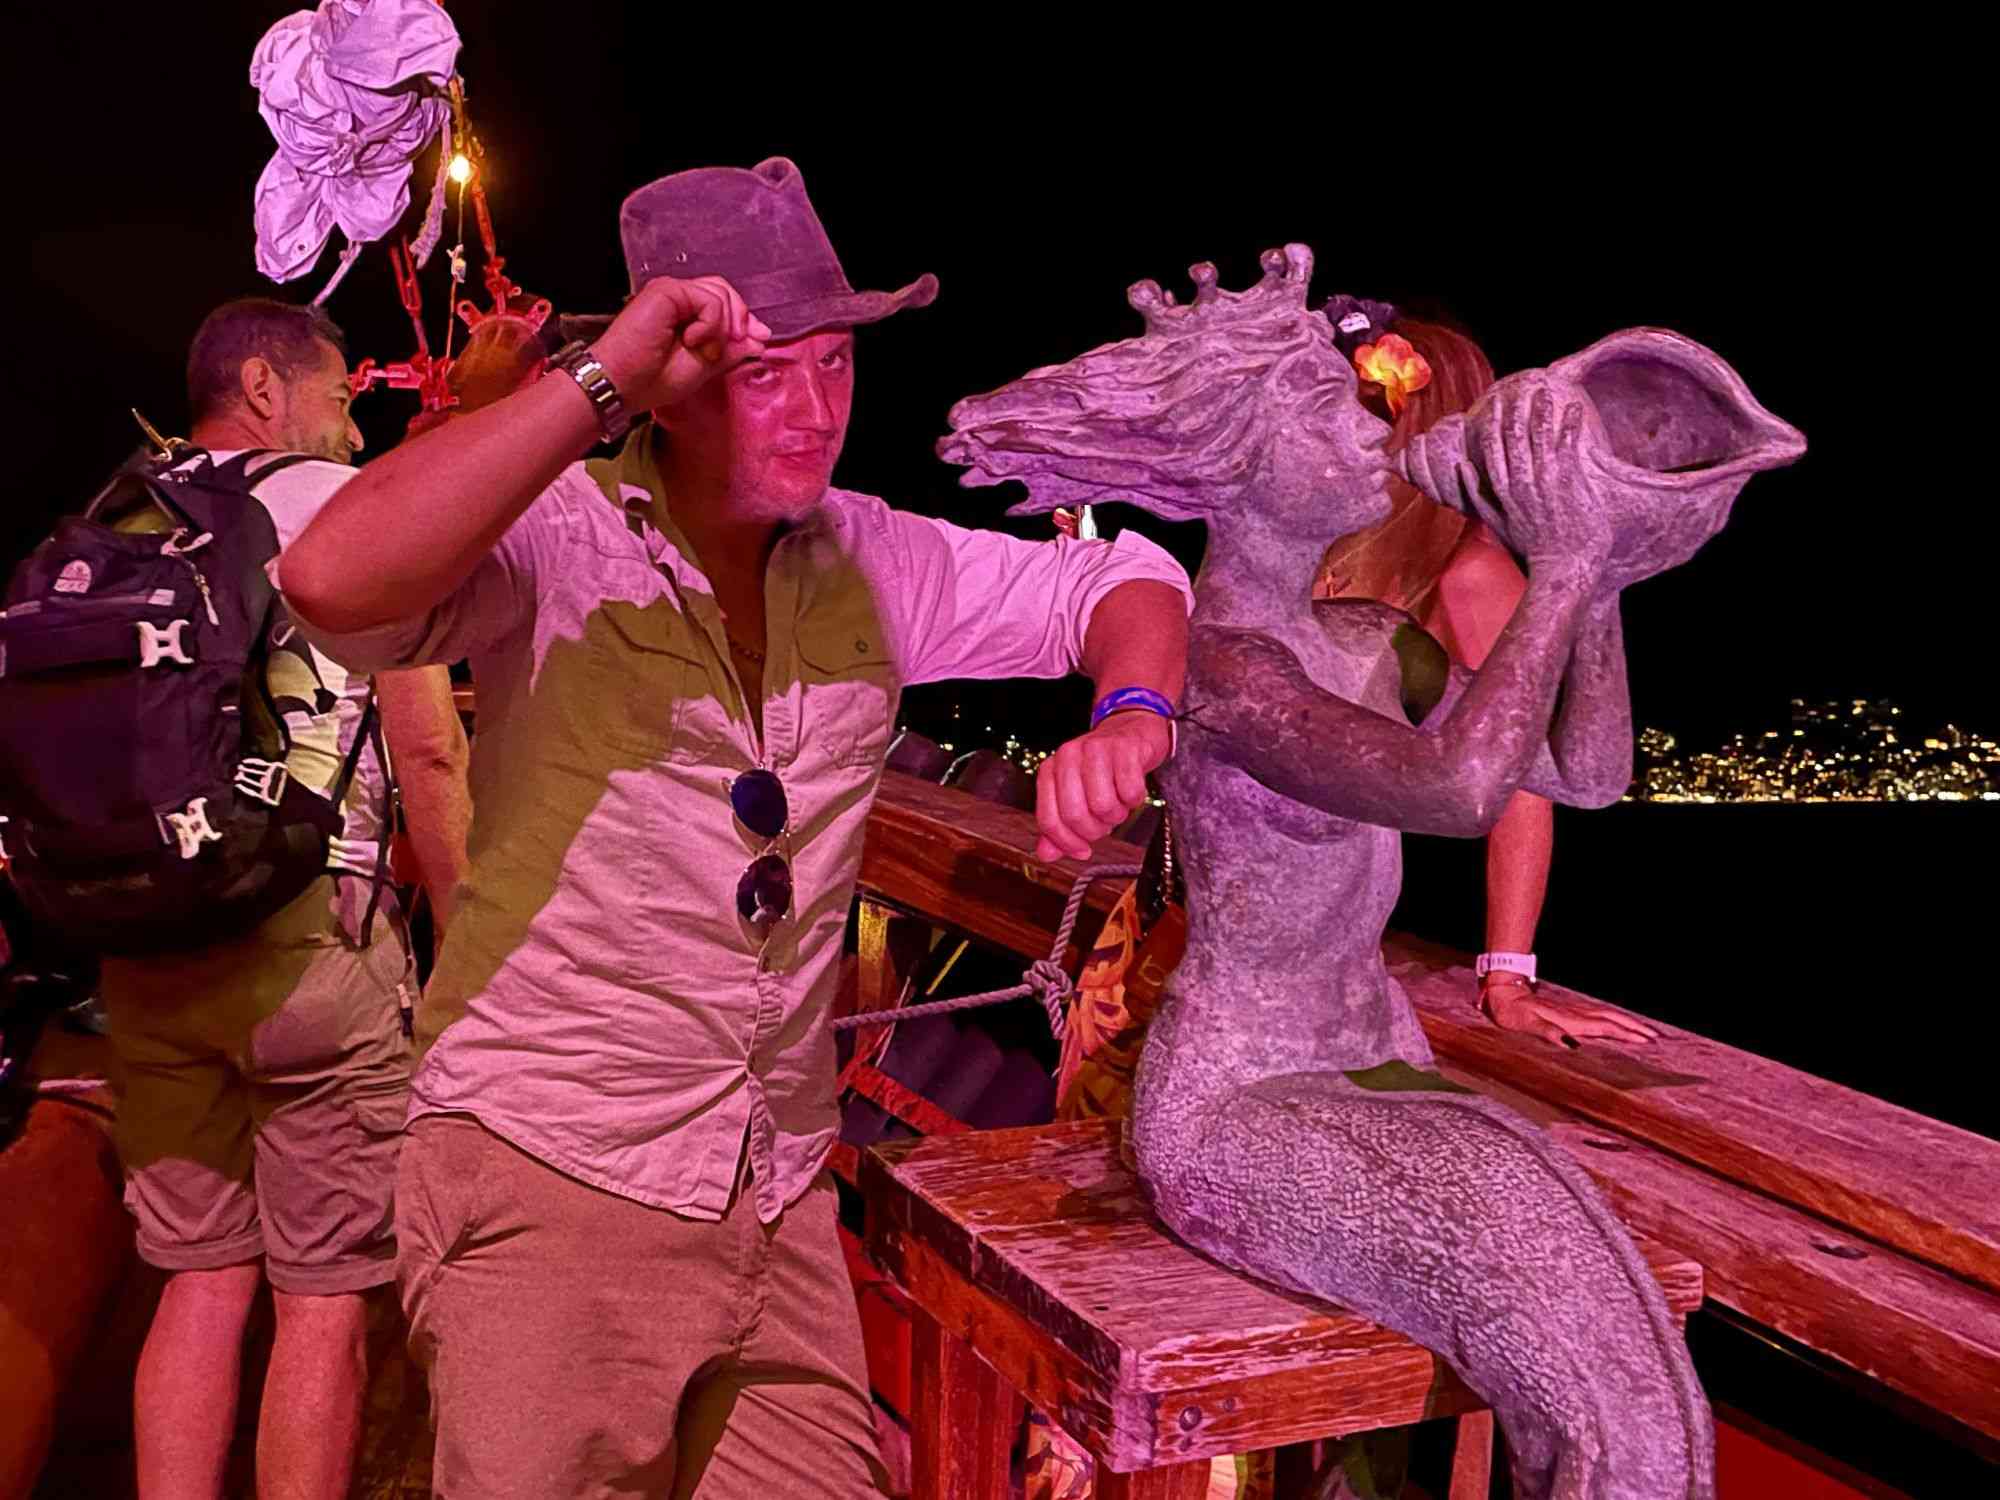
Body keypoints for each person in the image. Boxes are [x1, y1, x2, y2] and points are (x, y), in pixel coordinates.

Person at [276, 158, 1193, 1498]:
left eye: (836, 364)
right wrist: (593, 380)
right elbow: (327, 579)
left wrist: (1128, 717)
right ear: (668, 379)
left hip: (773, 1194)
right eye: (767, 374)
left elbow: (1119, 578)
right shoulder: (557, 536)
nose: (816, 412)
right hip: (551, 1174)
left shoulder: (870, 556)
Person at [101, 298, 467, 1500]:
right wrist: (469, 952)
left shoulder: (119, 511)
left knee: (199, 1278)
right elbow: (428, 752)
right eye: (340, 398)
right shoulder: (348, 509)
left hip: (142, 936)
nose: (353, 430)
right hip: (310, 945)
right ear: (265, 388)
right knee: (322, 1298)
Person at [1316, 311, 1654, 1050]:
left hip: (1353, 922)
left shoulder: (1469, 575)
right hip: (1243, 900)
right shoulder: (1329, 542)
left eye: (1359, 404)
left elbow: (1520, 784)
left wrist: (1507, 978)